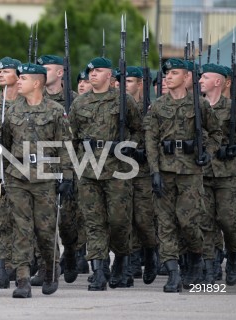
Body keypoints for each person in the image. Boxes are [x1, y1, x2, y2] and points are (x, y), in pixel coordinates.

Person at [144, 58, 222, 292]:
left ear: (187, 78)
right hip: (165, 171)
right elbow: (151, 141)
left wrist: (207, 153)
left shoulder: (200, 105)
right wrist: (154, 171)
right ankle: (173, 273)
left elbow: (216, 133)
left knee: (188, 222)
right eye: (166, 74)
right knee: (165, 224)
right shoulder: (157, 106)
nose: (168, 77)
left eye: (174, 73)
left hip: (190, 171)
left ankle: (196, 259)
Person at [68, 57, 142, 291]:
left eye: (98, 71)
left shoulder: (124, 101)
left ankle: (121, 259)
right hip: (88, 170)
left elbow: (140, 130)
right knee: (93, 222)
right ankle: (99, 270)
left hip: (117, 170)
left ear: (110, 76)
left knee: (119, 221)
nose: (93, 74)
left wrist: (127, 147)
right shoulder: (80, 103)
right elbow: (71, 137)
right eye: (90, 71)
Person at [2, 62, 74, 298]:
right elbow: (4, 143)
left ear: (36, 83)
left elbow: (65, 145)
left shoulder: (54, 111)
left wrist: (67, 176)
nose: (18, 81)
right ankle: (22, 279)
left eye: (23, 78)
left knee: (44, 229)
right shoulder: (12, 110)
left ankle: (51, 268)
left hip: (45, 175)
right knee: (21, 229)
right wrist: (1, 175)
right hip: (17, 175)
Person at [37, 54, 83, 284]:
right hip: (40, 165)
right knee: (42, 220)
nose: (42, 72)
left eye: (47, 68)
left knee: (66, 219)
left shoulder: (74, 100)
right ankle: (47, 267)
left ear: (60, 72)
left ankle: (72, 252)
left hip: (67, 164)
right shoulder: (35, 99)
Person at [199, 63, 236, 286]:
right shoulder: (196, 107)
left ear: (218, 81)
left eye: (205, 77)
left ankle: (233, 254)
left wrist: (235, 148)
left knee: (228, 220)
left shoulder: (233, 108)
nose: (200, 80)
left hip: (228, 173)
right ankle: (211, 262)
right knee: (206, 221)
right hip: (202, 172)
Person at [0, 56, 22, 289]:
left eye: (7, 71)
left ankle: (22, 267)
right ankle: (2, 269)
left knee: (22, 222)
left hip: (23, 170)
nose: (1, 74)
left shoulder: (29, 103)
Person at [124, 66, 158, 283]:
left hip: (144, 169)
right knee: (126, 217)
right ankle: (132, 261)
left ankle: (150, 252)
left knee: (144, 218)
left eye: (128, 81)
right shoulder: (119, 106)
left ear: (140, 84)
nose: (123, 85)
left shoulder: (151, 107)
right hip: (123, 168)